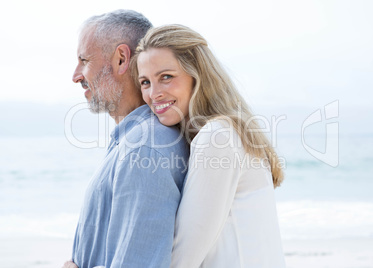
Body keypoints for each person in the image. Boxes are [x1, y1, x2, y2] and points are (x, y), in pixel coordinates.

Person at [133, 24, 286, 267]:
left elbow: (182, 257)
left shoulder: (218, 137)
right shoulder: (228, 132)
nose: (154, 94)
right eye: (145, 82)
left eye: (166, 77)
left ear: (198, 75)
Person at [63, 11, 189, 268]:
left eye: (84, 60)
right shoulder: (132, 141)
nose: (76, 75)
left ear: (121, 59)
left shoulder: (144, 147)